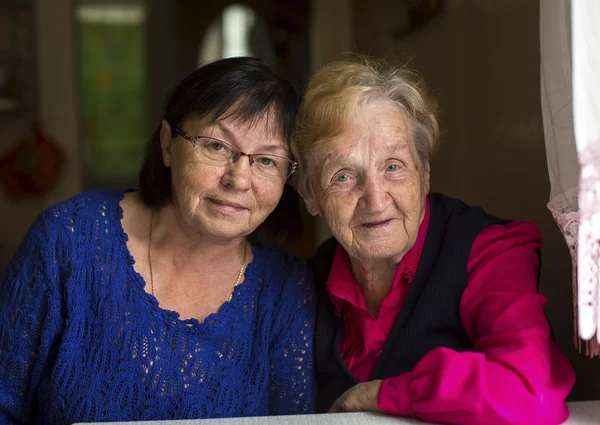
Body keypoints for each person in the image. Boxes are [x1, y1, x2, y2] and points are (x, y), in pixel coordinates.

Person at [0, 57, 316, 425]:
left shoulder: (286, 291)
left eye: (266, 161)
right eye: (216, 146)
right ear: (168, 144)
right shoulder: (67, 239)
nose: (238, 179)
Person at [291, 55, 575, 425]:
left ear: (424, 173)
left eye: (393, 167)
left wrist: (378, 394)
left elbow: (528, 393)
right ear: (311, 195)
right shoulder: (308, 280)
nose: (375, 200)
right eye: (343, 176)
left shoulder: (488, 250)